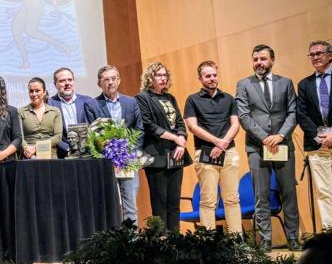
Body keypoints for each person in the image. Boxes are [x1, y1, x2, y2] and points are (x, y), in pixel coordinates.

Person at [236, 44, 299, 252]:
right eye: (255, 59)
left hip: (283, 144)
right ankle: (265, 241)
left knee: (289, 193)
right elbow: (244, 116)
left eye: (263, 59)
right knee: (261, 195)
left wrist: (280, 135)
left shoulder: (286, 83)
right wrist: (265, 138)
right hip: (256, 147)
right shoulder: (244, 84)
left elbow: (293, 112)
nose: (259, 63)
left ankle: (292, 238)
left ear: (272, 60)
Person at [184, 61, 242, 234]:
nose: (212, 79)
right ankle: (209, 243)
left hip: (229, 151)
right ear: (200, 78)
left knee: (232, 199)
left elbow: (235, 124)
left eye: (214, 75)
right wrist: (217, 142)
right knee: (208, 201)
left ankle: (236, 241)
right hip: (205, 153)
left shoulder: (228, 98)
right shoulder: (192, 100)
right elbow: (193, 127)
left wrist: (223, 142)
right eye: (208, 76)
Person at [136, 62, 192, 232]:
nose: (162, 78)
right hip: (157, 156)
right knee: (160, 201)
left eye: (164, 75)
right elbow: (149, 125)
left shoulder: (170, 98)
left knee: (174, 200)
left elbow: (180, 122)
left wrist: (181, 143)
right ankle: (162, 241)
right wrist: (176, 138)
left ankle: (174, 237)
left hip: (176, 153)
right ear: (149, 78)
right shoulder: (142, 98)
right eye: (158, 75)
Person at [84, 65, 144, 223]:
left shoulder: (131, 102)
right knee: (109, 206)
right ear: (99, 84)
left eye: (113, 78)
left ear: (119, 80)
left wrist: (129, 153)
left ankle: (132, 244)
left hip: (128, 162)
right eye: (106, 80)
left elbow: (139, 130)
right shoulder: (91, 105)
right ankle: (115, 244)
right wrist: (111, 154)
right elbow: (93, 134)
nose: (110, 82)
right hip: (106, 164)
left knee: (130, 206)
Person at [297, 40, 332, 231]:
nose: (315, 57)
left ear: (330, 56)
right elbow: (301, 115)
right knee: (324, 192)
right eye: (312, 54)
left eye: (319, 53)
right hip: (317, 146)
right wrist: (322, 136)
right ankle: (329, 232)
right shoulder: (304, 85)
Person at [48, 67, 92, 157]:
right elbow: (49, 132)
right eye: (62, 81)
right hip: (62, 155)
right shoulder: (49, 104)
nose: (67, 83)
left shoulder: (87, 101)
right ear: (55, 84)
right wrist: (68, 149)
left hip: (87, 154)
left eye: (70, 80)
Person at [19, 77, 63, 159]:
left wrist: (36, 148)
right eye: (31, 91)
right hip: (28, 156)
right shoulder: (21, 111)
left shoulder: (55, 111)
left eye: (37, 90)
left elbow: (58, 136)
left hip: (50, 155)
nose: (34, 94)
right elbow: (19, 136)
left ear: (44, 92)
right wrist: (28, 150)